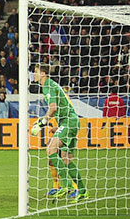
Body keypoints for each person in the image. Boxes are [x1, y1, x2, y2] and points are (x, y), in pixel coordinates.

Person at [31, 64, 89, 203]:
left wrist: (42, 122)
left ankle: (66, 186)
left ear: (43, 73)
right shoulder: (53, 85)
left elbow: (53, 108)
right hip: (69, 122)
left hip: (69, 122)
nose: (34, 74)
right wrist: (59, 127)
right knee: (66, 158)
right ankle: (82, 191)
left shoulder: (48, 86)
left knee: (51, 149)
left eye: (36, 72)